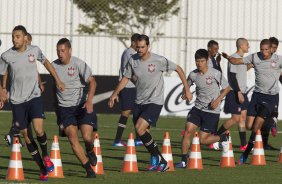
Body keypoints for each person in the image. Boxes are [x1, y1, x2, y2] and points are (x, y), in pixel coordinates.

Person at [108, 34, 192, 172]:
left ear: (148, 46)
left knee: (140, 128)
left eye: (142, 47)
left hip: (154, 101)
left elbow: (178, 69)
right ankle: (155, 157)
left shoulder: (158, 60)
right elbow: (125, 78)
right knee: (142, 132)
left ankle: (162, 160)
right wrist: (114, 93)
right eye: (138, 47)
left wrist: (187, 89)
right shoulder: (132, 60)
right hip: (139, 101)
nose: (139, 50)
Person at [0, 25, 65, 181]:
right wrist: (2, 90)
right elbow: (2, 73)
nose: (14, 39)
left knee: (38, 129)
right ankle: (42, 169)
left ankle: (46, 155)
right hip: (17, 100)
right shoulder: (6, 56)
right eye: (13, 36)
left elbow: (47, 63)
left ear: (25, 38)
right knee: (26, 136)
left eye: (17, 36)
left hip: (34, 96)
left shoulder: (34, 50)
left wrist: (58, 80)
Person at [222, 39, 282, 164]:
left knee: (255, 127)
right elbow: (237, 61)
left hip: (270, 97)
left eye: (266, 49)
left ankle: (245, 155)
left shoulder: (278, 59)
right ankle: (270, 122)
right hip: (257, 96)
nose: (264, 52)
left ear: (271, 49)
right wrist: (228, 57)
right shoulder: (254, 57)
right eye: (262, 49)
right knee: (249, 125)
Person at [175, 49, 230, 168]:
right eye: (197, 61)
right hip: (198, 108)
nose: (199, 63)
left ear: (207, 61)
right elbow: (187, 87)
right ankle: (184, 161)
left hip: (211, 111)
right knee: (188, 130)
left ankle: (223, 137)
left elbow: (227, 88)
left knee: (202, 140)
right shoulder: (193, 74)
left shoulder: (215, 73)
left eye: (202, 61)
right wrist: (185, 94)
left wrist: (218, 99)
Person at [52, 38, 98, 178]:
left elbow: (92, 82)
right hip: (65, 109)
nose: (60, 54)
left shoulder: (78, 63)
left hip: (81, 105)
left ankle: (90, 150)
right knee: (73, 138)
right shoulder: (53, 66)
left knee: (87, 136)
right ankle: (88, 170)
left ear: (70, 51)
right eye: (58, 51)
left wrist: (89, 101)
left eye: (63, 51)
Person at [3, 33, 43, 147]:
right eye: (28, 42)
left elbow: (35, 71)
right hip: (17, 91)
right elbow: (6, 71)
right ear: (25, 40)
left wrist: (39, 82)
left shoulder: (30, 54)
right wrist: (4, 88)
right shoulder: (13, 55)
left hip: (29, 92)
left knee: (23, 119)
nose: (29, 44)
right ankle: (10, 139)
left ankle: (15, 138)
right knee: (19, 120)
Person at [212, 38, 250, 151]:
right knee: (235, 119)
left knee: (242, 118)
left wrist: (250, 66)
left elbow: (242, 71)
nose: (249, 46)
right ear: (241, 46)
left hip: (243, 91)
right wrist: (238, 92)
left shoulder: (242, 60)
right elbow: (232, 77)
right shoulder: (234, 58)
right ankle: (214, 137)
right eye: (247, 45)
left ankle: (244, 144)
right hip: (235, 92)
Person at [112, 33, 143, 147]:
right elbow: (129, 72)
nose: (139, 46)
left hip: (132, 87)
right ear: (134, 42)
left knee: (136, 111)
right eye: (138, 44)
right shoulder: (129, 53)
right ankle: (117, 140)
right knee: (126, 112)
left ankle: (139, 138)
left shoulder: (131, 53)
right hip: (127, 86)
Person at [260, 37, 279, 150]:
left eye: (276, 48)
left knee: (273, 114)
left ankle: (264, 142)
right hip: (263, 94)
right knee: (265, 119)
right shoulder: (262, 59)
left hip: (274, 93)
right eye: (273, 47)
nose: (275, 50)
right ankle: (258, 142)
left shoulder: (276, 60)